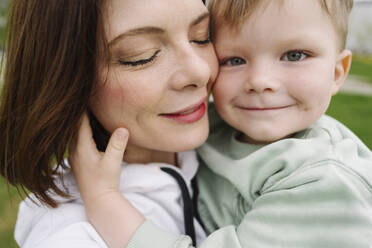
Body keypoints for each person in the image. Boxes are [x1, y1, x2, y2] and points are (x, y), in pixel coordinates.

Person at [72, 0, 372, 247]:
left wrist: (103, 199)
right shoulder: (214, 128)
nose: (260, 81)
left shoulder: (320, 180)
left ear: (337, 72)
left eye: (295, 55)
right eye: (234, 60)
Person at [0, 0, 218, 247]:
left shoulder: (238, 138)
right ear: (69, 82)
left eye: (202, 36)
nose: (200, 71)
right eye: (142, 56)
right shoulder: (70, 236)